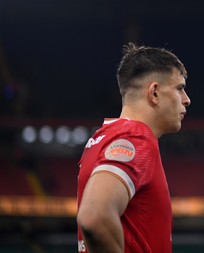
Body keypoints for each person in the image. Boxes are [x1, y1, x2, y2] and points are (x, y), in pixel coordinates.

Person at [76, 42, 191, 253]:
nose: (187, 100)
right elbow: (94, 216)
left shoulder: (102, 138)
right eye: (180, 89)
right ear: (154, 93)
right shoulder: (136, 137)